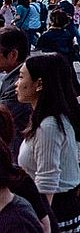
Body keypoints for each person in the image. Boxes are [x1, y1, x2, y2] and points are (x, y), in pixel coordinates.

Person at [16, 54, 80, 233]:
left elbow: (47, 180)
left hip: (56, 214)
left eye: (21, 77)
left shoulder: (49, 126)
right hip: (58, 210)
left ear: (39, 84)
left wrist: (42, 223)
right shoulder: (50, 118)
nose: (15, 84)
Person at [0, 27, 30, 157]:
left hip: (18, 155)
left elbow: (2, 117)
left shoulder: (19, 84)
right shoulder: (14, 75)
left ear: (13, 55)